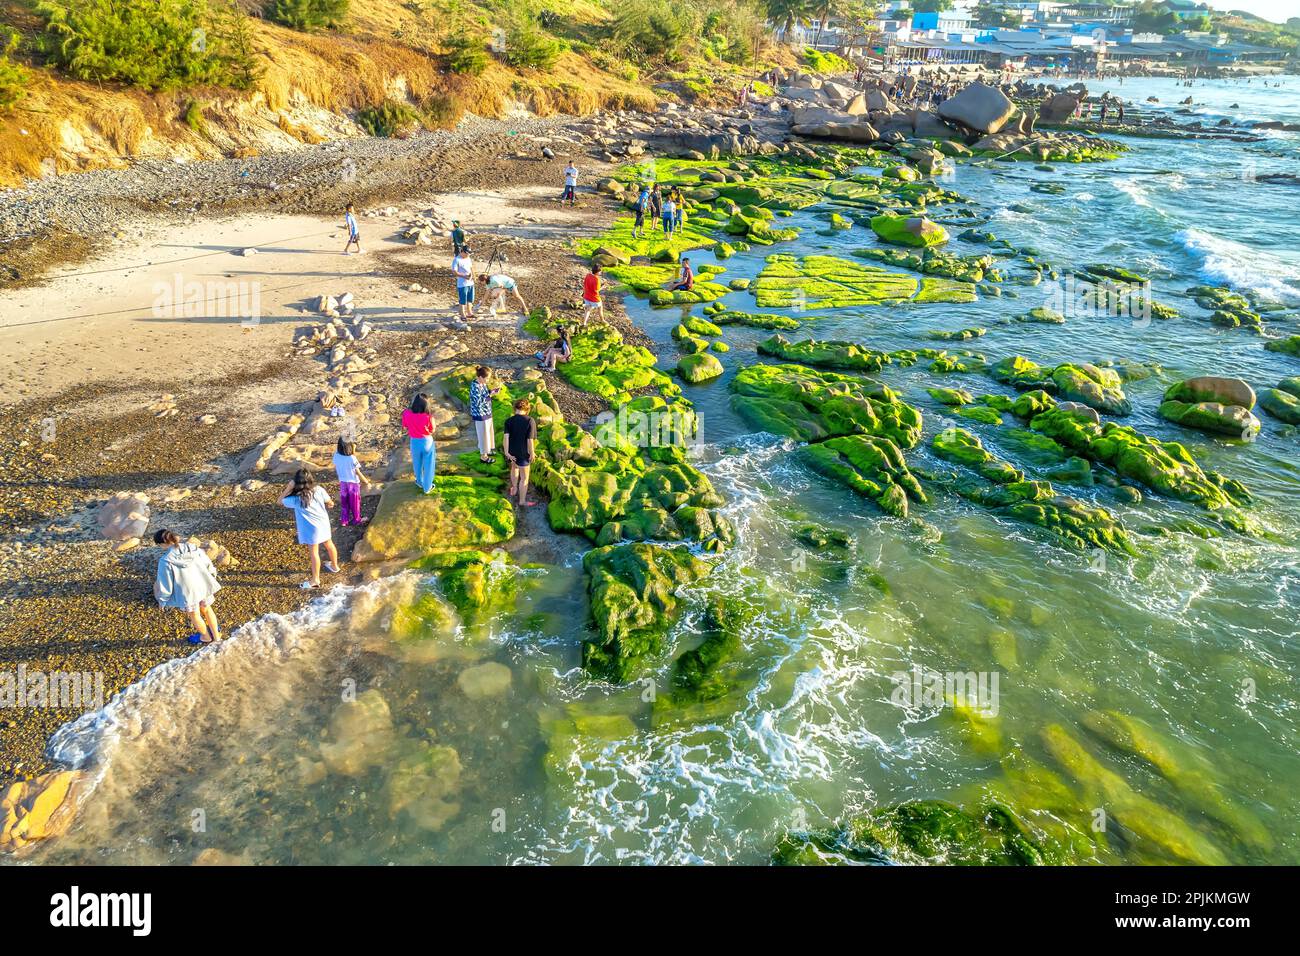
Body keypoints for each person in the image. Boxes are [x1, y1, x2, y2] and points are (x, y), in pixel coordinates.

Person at [153, 529, 223, 644]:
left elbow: (165, 584)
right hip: (202, 584)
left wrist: (162, 600)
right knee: (207, 609)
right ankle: (217, 637)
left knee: (195, 614)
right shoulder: (193, 548)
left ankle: (206, 637)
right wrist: (212, 574)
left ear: (163, 544)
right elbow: (207, 563)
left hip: (187, 593)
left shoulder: (165, 561)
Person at [280, 468, 340, 590]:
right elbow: (330, 502)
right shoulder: (319, 490)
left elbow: (279, 501)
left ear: (297, 483)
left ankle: (315, 580)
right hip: (324, 524)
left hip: (311, 529)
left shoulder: (296, 499)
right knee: (329, 544)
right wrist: (329, 504)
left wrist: (288, 488)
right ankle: (335, 566)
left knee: (314, 553)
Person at [503, 398, 537, 508]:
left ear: (515, 408)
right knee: (525, 478)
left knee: (514, 467)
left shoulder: (509, 421)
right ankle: (522, 501)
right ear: (527, 409)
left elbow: (506, 438)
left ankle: (514, 488)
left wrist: (506, 452)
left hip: (512, 451)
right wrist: (532, 453)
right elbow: (530, 440)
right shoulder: (529, 421)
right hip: (523, 453)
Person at [333, 437, 373, 527]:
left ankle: (344, 520)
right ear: (349, 447)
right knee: (355, 503)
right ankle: (356, 519)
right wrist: (366, 482)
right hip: (353, 484)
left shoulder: (336, 455)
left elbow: (338, 464)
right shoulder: (352, 458)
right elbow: (357, 472)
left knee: (344, 502)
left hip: (343, 482)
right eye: (353, 447)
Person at [402, 393, 436, 494]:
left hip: (414, 442)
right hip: (427, 442)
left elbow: (405, 425)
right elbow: (432, 430)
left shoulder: (406, 414)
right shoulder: (428, 417)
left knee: (417, 462)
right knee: (429, 464)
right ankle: (427, 487)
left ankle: (419, 481)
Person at [469, 366, 502, 463]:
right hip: (480, 414)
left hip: (487, 412)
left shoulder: (482, 383)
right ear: (480, 377)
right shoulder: (474, 386)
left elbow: (484, 394)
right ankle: (484, 456)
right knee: (483, 434)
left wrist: (491, 392)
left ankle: (488, 449)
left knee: (488, 431)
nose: (488, 380)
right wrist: (490, 395)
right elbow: (478, 402)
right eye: (486, 378)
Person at [452, 245, 474, 320]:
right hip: (462, 284)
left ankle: (470, 313)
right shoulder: (457, 259)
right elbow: (454, 272)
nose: (468, 255)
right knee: (463, 300)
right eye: (467, 253)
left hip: (470, 283)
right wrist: (464, 276)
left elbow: (471, 268)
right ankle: (463, 315)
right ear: (462, 252)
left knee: (470, 299)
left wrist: (474, 276)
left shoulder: (468, 258)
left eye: (469, 253)